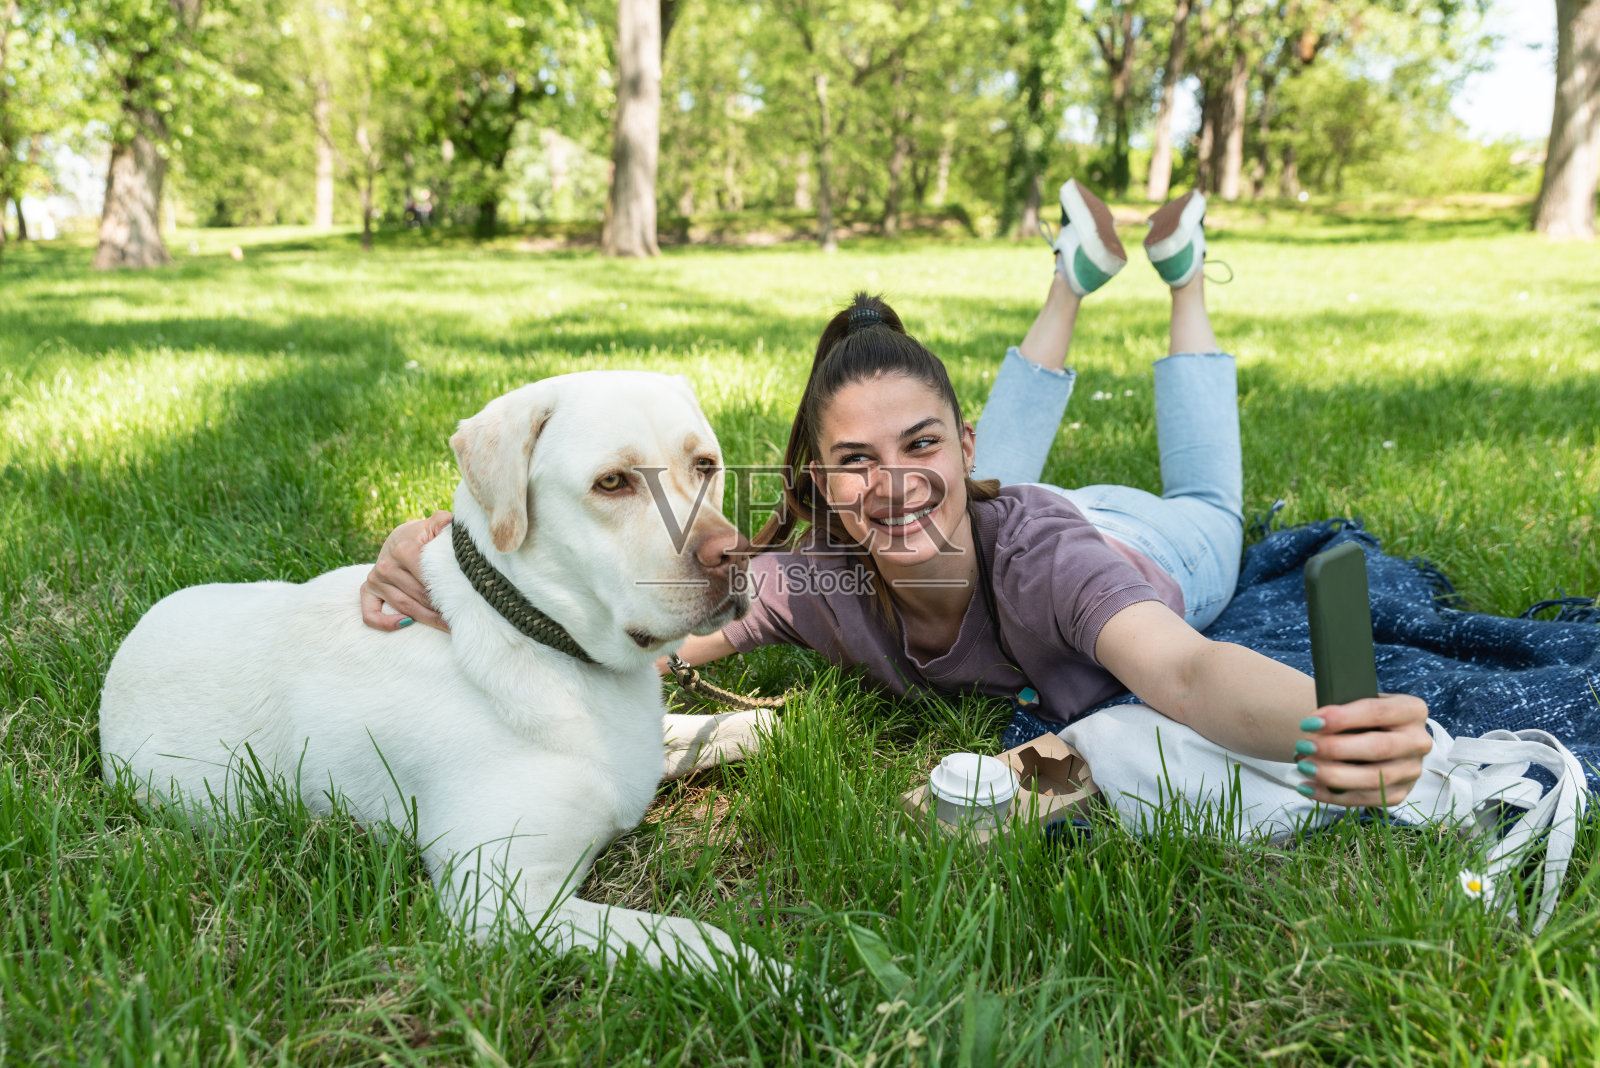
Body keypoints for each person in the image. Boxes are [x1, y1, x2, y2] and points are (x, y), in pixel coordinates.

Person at [362, 180, 1433, 807]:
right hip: (997, 507)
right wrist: (445, 558)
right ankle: (1072, 272)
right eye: (849, 463)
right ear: (819, 485)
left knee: (1203, 498)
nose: (879, 483)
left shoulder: (1052, 566)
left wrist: (1323, 729)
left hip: (1146, 545)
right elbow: (634, 630)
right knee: (927, 486)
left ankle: (1184, 272)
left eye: (924, 443)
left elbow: (1190, 674)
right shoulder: (814, 577)